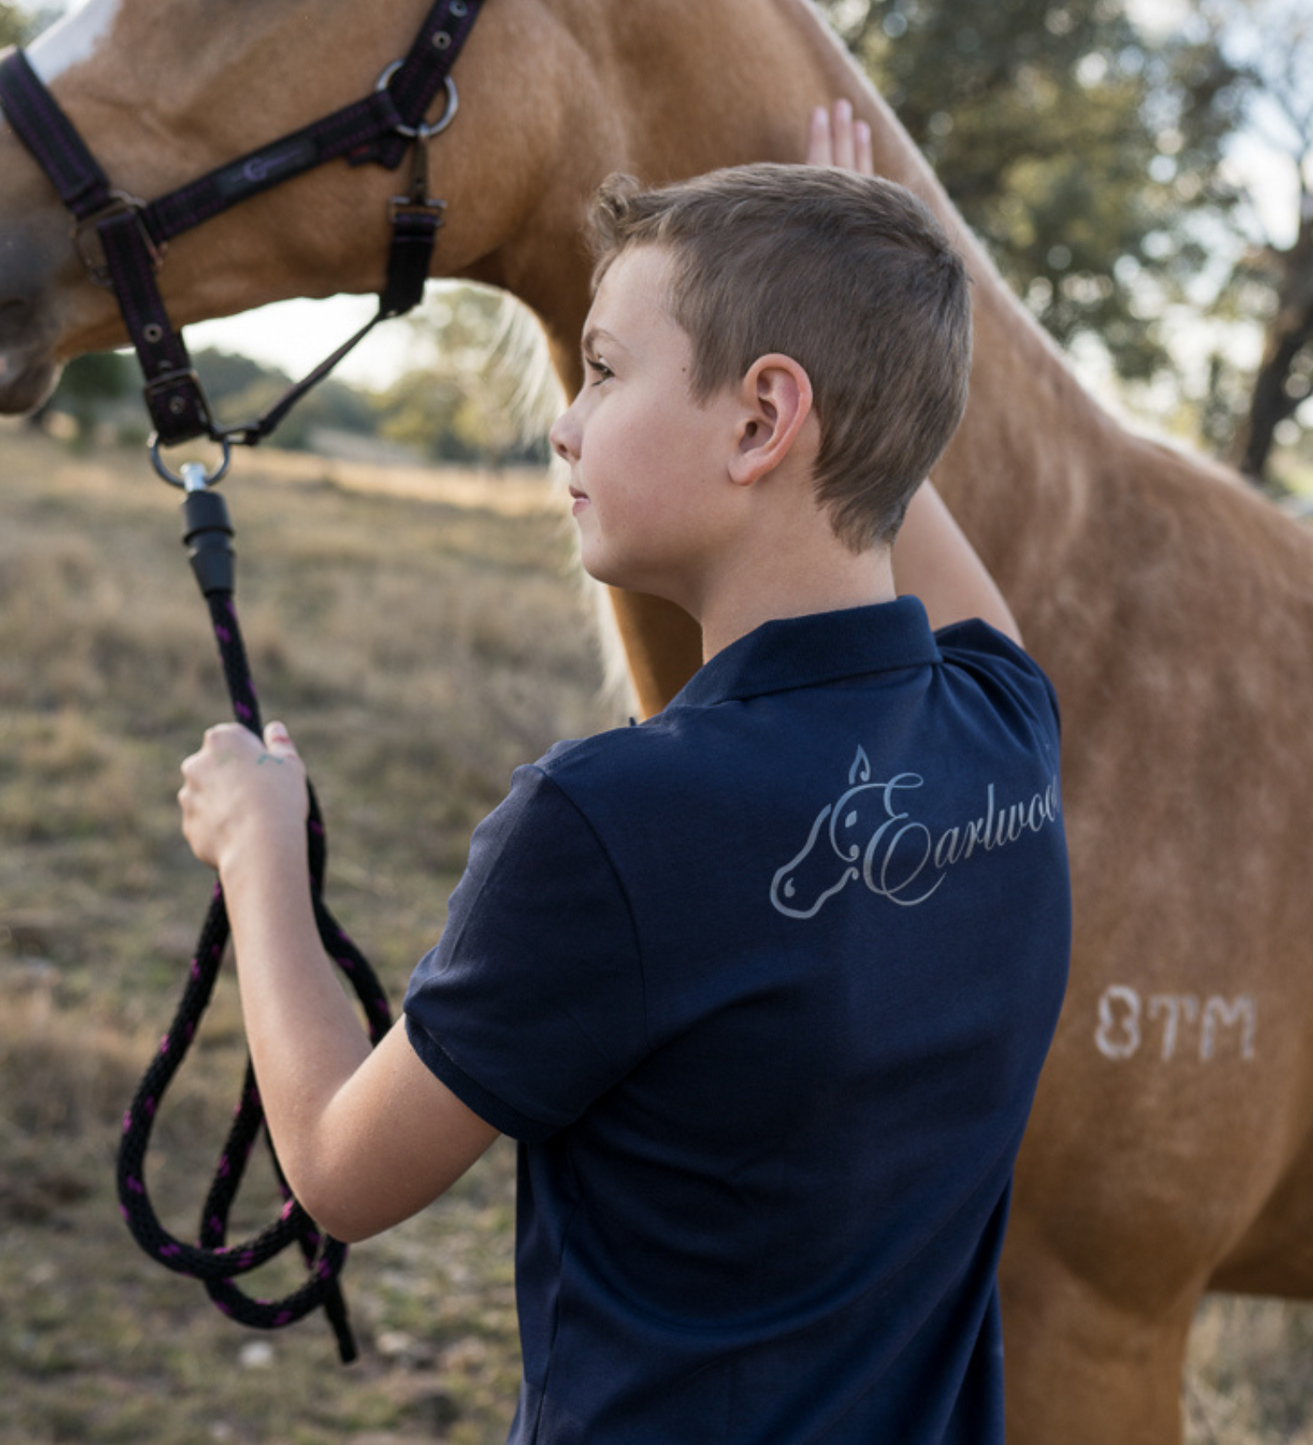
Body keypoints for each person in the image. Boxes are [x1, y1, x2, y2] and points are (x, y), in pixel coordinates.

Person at [178, 101, 1070, 1444]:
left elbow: (339, 1177)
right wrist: (854, 305)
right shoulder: (1010, 732)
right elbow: (888, 502)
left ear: (766, 415)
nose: (565, 426)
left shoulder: (611, 822)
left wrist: (260, 857)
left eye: (601, 369)